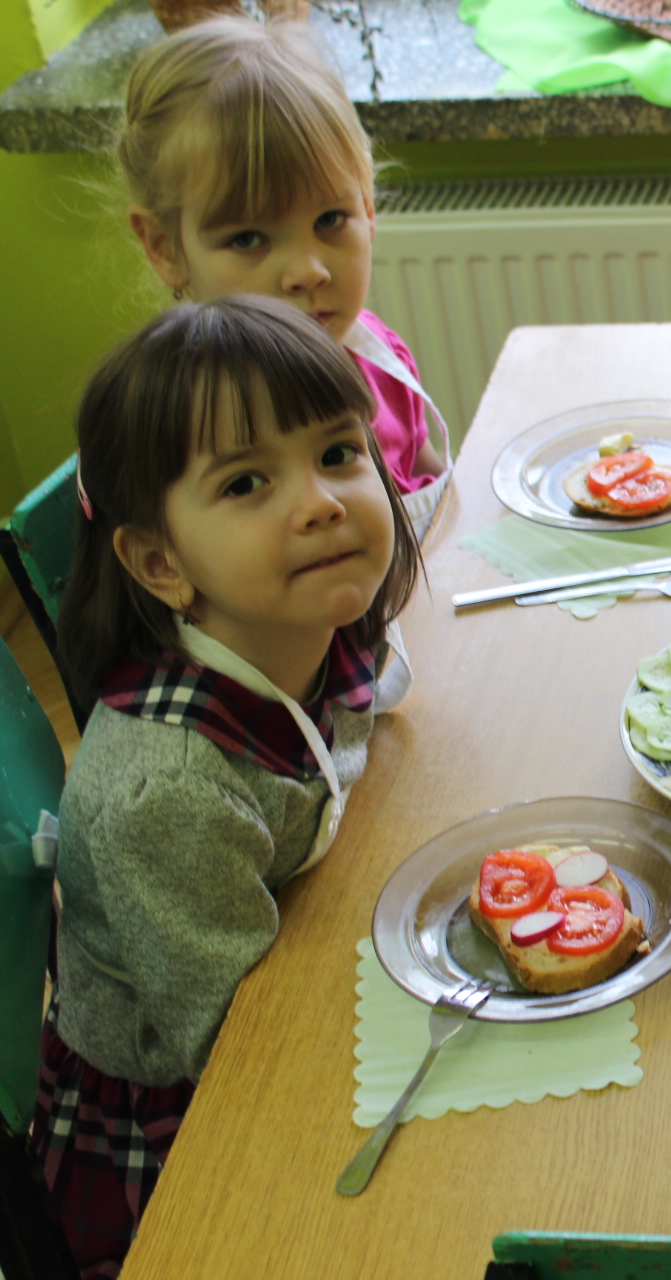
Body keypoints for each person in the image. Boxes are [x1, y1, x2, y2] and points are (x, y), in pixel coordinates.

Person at [30, 297, 422, 1277]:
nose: (322, 502)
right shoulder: (165, 794)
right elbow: (245, 1058)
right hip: (187, 1127)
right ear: (161, 563)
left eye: (339, 452)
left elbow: (369, 725)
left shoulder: (301, 618)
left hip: (297, 948)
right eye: (247, 482)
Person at [116, 15, 450, 538]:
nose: (308, 271)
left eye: (330, 219)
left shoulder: (378, 353)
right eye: (248, 239)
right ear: (165, 247)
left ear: (367, 208)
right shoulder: (199, 436)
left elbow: (433, 476)